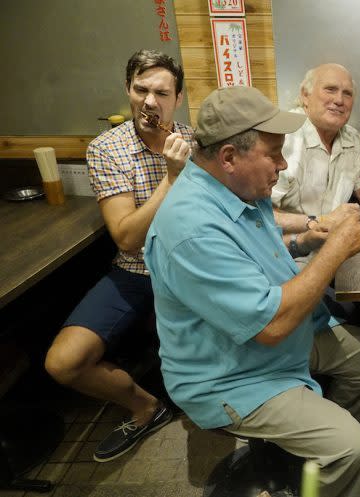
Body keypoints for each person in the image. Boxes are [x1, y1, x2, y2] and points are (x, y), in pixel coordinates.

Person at [144, 86, 360, 497]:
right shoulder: (191, 228)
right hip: (230, 375)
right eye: (274, 154)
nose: (282, 165)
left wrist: (305, 242)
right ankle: (332, 456)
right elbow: (272, 326)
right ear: (228, 157)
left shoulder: (235, 188)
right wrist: (332, 251)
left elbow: (257, 258)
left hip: (269, 346)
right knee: (346, 447)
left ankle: (309, 455)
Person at [44, 50, 195, 462]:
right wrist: (172, 176)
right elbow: (126, 237)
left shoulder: (196, 141)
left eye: (161, 92)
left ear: (177, 98)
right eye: (140, 89)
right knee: (63, 362)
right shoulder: (107, 149)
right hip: (138, 270)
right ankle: (146, 406)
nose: (149, 101)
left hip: (191, 268)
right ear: (128, 91)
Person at [271, 62, 360, 224]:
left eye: (347, 94)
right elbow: (261, 213)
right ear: (305, 95)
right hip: (289, 245)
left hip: (336, 239)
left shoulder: (351, 138)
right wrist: (319, 223)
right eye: (330, 89)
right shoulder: (283, 137)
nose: (339, 100)